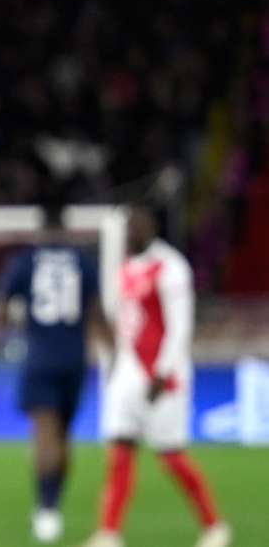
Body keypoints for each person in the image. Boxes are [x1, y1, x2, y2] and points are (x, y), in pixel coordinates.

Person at [81, 205, 230, 547]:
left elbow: (180, 326)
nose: (129, 233)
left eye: (135, 226)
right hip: (127, 374)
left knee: (171, 457)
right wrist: (113, 364)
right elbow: (124, 322)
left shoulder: (171, 267)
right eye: (127, 227)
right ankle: (108, 534)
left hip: (162, 378)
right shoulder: (125, 267)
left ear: (151, 227)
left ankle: (214, 526)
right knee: (119, 452)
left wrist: (162, 374)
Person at [0, 201, 108, 543]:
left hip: (40, 356)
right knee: (63, 436)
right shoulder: (83, 262)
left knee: (44, 434)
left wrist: (8, 327)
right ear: (66, 229)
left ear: (40, 229)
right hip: (74, 358)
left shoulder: (25, 261)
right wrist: (112, 350)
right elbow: (98, 313)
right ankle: (54, 505)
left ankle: (45, 510)